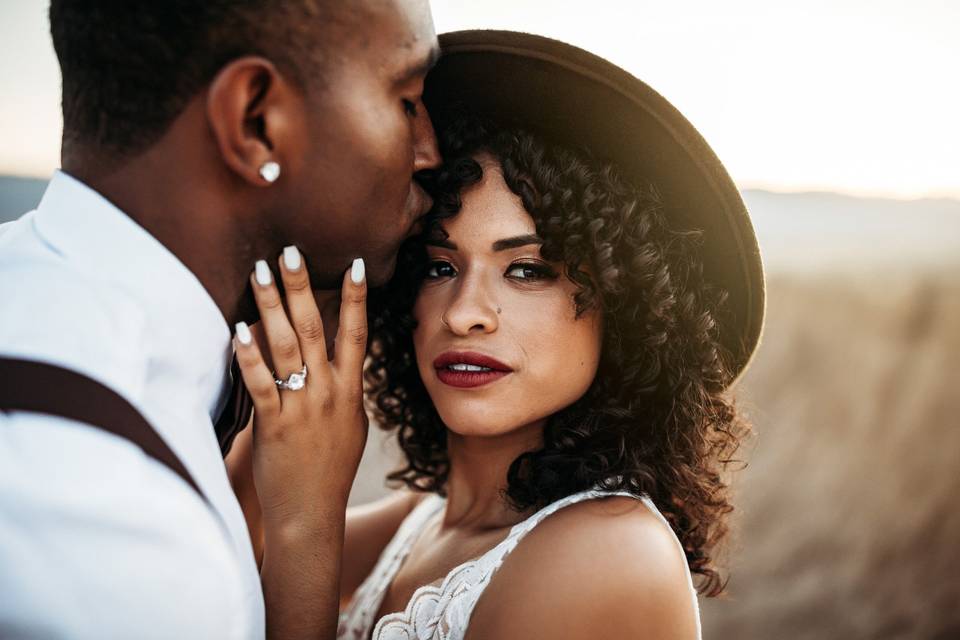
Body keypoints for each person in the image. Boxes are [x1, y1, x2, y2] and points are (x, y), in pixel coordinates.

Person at [228, 31, 765, 640]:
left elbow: (287, 547)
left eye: (527, 270)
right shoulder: (425, 523)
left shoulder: (609, 553)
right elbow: (219, 561)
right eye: (439, 266)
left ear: (629, 310)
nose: (464, 313)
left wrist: (308, 518)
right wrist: (291, 369)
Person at [0, 1, 440, 638]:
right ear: (255, 119)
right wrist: (305, 531)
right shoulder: (124, 541)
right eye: (407, 98)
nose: (428, 150)